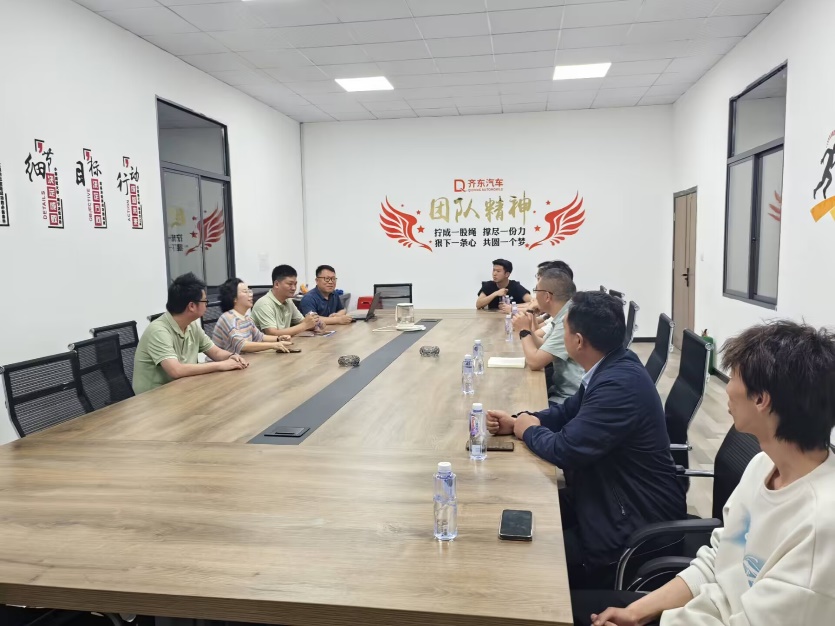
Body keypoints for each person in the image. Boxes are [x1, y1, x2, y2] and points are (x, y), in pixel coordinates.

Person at [583, 321, 835, 626]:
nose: (727, 387)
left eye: (734, 376)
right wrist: (636, 613)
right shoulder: (762, 465)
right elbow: (718, 559)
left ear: (761, 399)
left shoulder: (820, 527)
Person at [487, 291, 685, 588]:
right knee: (520, 511)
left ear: (578, 341)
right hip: (603, 494)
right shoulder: (611, 366)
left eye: (563, 330)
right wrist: (518, 421)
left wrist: (527, 430)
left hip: (631, 525)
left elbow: (565, 449)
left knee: (526, 562)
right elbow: (567, 412)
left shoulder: (619, 385)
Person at [133, 272, 248, 394]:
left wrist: (231, 357)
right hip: (154, 398)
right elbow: (176, 370)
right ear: (192, 306)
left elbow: (215, 352)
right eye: (205, 301)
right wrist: (221, 365)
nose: (207, 305)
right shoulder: (158, 331)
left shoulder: (191, 326)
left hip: (181, 390)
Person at [512, 268, 583, 404]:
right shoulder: (565, 313)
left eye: (536, 291)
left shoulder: (568, 320)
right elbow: (543, 344)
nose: (534, 297)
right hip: (562, 391)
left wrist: (524, 331)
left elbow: (535, 363)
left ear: (547, 296)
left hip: (569, 399)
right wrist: (527, 328)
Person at [213, 278, 294, 354]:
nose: (250, 294)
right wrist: (272, 345)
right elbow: (242, 345)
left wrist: (278, 338)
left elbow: (259, 337)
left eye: (249, 291)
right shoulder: (228, 318)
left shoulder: (246, 318)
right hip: (223, 363)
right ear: (234, 298)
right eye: (245, 292)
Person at [251, 264, 318, 338]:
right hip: (267, 344)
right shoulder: (264, 304)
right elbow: (272, 333)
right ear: (276, 284)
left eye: (295, 284)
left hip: (283, 342)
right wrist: (305, 325)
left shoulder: (288, 301)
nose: (294, 288)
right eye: (290, 284)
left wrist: (314, 322)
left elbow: (302, 322)